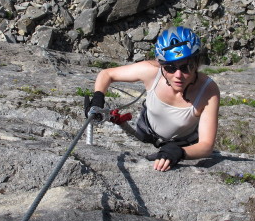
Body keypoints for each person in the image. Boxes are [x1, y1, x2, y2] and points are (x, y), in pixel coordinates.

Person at [85, 26, 220, 172]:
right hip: (145, 133)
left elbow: (206, 145)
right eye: (170, 68)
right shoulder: (151, 71)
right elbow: (106, 75)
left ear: (197, 63)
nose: (178, 75)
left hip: (182, 144)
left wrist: (181, 152)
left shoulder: (208, 91)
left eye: (187, 67)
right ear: (161, 65)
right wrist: (98, 98)